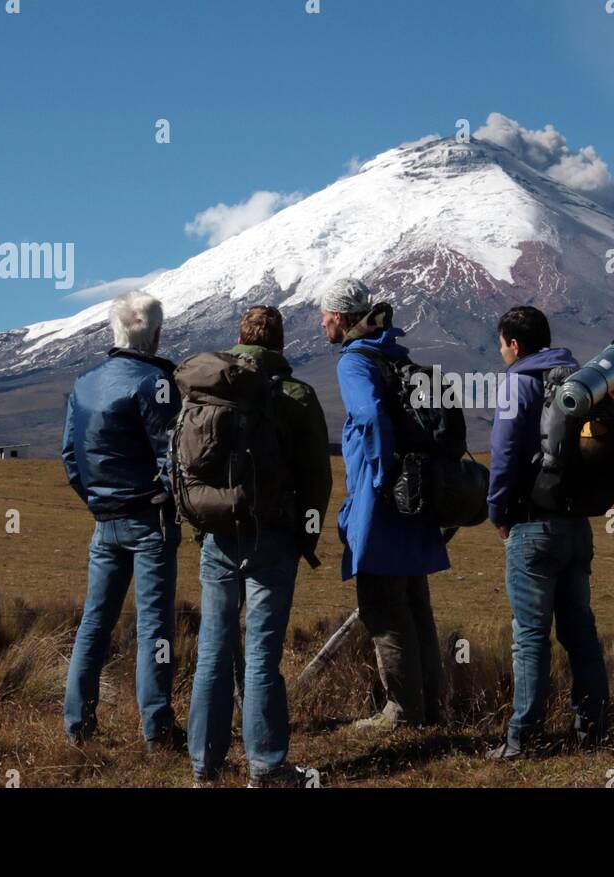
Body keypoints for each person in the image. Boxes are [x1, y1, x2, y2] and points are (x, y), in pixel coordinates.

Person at [187, 305, 332, 787]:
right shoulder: (296, 394)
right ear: (282, 343)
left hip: (218, 536)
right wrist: (304, 538)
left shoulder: (213, 386)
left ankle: (204, 769)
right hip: (271, 537)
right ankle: (267, 768)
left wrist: (201, 527)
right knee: (262, 653)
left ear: (240, 337)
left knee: (213, 650)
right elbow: (317, 475)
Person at [320, 278, 449, 730]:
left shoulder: (355, 361)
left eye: (325, 316)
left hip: (383, 498)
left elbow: (371, 416)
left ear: (339, 317)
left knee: (383, 605)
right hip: (416, 496)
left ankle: (402, 712)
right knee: (415, 605)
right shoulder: (394, 353)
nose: (321, 323)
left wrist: (378, 477)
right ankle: (431, 707)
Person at [61, 291, 184, 752]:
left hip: (104, 521)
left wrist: (96, 500)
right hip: (149, 520)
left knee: (95, 622)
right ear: (155, 334)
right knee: (154, 629)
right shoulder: (156, 383)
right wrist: (171, 502)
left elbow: (70, 457)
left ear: (114, 331)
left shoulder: (84, 383)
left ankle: (78, 727)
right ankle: (157, 731)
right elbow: (172, 456)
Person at [486, 305, 610, 759]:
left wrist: (497, 512)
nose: (500, 352)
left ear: (514, 345)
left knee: (531, 636)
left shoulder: (517, 382)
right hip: (577, 525)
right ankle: (593, 732)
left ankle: (523, 740)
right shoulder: (581, 381)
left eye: (501, 344)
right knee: (580, 631)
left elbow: (502, 454)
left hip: (532, 526)